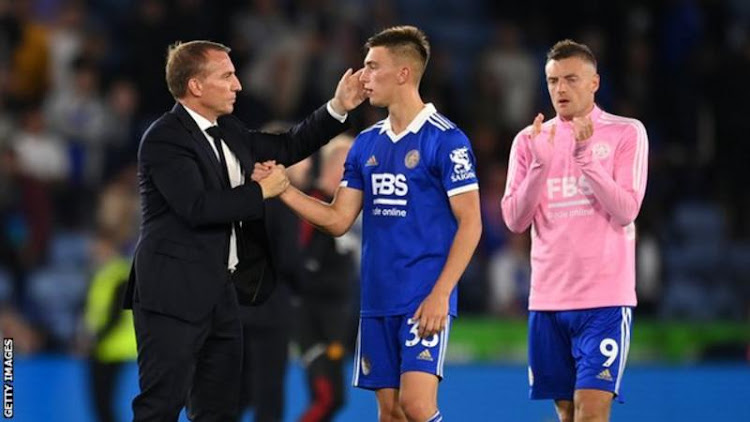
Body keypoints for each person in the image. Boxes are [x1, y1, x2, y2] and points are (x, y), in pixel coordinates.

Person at [123, 40, 365, 421]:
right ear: (196, 86)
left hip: (223, 296)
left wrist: (338, 108)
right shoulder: (164, 138)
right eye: (227, 75)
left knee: (219, 411)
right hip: (172, 293)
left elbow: (287, 145)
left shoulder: (229, 131)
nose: (238, 85)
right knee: (160, 407)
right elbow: (197, 208)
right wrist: (261, 191)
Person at [256, 26, 482, 422]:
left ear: (403, 74)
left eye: (373, 67)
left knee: (416, 405)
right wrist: (285, 191)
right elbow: (339, 219)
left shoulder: (447, 141)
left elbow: (471, 223)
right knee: (390, 412)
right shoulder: (365, 143)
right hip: (376, 298)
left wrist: (441, 294)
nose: (364, 77)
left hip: (422, 295)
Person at [501, 39, 649, 422]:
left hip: (603, 300)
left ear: (594, 83)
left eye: (570, 79)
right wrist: (539, 165)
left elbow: (626, 210)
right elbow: (515, 220)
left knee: (591, 411)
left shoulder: (626, 133)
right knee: (566, 412)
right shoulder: (530, 141)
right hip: (548, 300)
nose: (560, 89)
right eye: (552, 81)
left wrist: (586, 159)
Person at [294, 135, 358, 422]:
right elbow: (300, 264)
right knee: (326, 397)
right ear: (337, 167)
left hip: (335, 320)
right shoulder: (312, 205)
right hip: (312, 321)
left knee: (335, 400)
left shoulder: (346, 212)